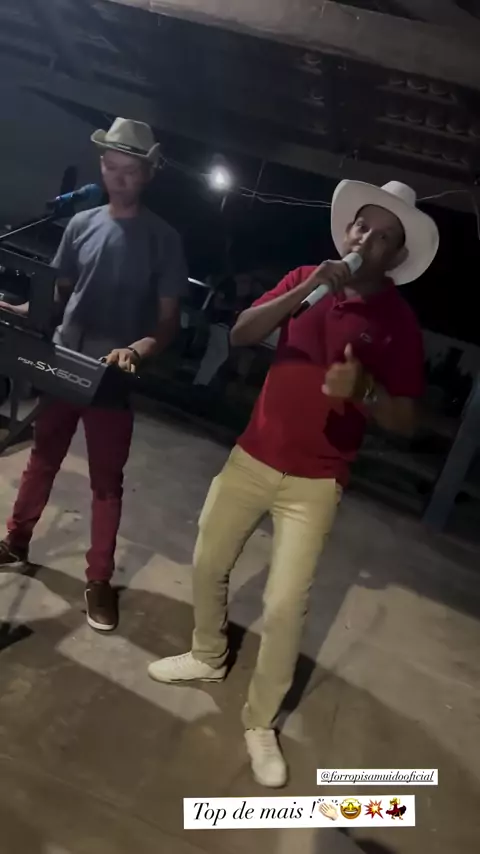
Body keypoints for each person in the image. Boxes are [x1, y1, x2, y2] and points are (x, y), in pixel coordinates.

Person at [147, 180, 439, 788]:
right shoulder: (306, 277)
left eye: (384, 236)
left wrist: (365, 390)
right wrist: (306, 289)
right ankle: (207, 655)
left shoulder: (398, 323)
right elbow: (241, 334)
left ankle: (260, 721)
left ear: (395, 255)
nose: (367, 239)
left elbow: (409, 421)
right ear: (348, 230)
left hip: (317, 481)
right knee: (207, 561)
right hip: (252, 455)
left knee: (283, 606)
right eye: (362, 226)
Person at [0, 117, 188, 631]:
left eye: (130, 170)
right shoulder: (80, 224)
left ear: (148, 173)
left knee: (106, 482)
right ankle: (16, 541)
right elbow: (61, 296)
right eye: (111, 166)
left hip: (110, 375)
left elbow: (168, 321)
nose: (118, 178)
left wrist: (140, 349)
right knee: (42, 458)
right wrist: (22, 310)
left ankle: (99, 579)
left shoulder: (164, 239)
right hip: (63, 361)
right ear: (101, 165)